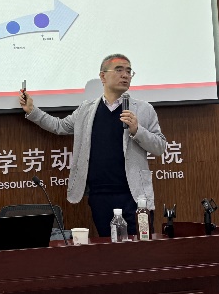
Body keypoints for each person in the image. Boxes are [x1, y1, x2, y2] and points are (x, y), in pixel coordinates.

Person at [19, 54, 166, 237]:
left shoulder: (143, 109)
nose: (125, 75)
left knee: (140, 247)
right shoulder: (86, 109)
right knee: (107, 247)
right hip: (99, 195)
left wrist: (137, 130)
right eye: (119, 70)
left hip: (134, 196)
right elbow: (60, 126)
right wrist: (32, 111)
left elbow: (160, 146)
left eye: (129, 71)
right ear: (103, 76)